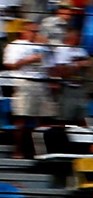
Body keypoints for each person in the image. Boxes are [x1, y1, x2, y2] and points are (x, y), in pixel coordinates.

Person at [4, 21, 53, 159]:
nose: (35, 34)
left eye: (37, 31)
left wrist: (47, 45)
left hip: (42, 83)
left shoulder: (42, 46)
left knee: (42, 119)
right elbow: (9, 65)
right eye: (32, 31)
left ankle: (39, 151)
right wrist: (28, 60)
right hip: (25, 83)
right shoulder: (15, 45)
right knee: (21, 118)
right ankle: (18, 150)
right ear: (23, 31)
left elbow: (51, 65)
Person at [50, 28, 91, 125]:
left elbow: (89, 68)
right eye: (78, 36)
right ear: (71, 37)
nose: (81, 38)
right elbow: (59, 71)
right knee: (64, 119)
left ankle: (86, 133)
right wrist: (77, 65)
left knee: (85, 118)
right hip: (67, 88)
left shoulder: (82, 51)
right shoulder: (61, 50)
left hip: (82, 89)